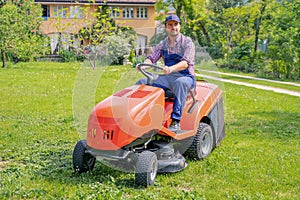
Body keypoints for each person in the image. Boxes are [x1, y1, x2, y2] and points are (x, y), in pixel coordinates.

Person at [136, 14, 195, 132]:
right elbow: (152, 58)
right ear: (166, 27)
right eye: (170, 25)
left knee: (180, 82)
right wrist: (144, 64)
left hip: (186, 77)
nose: (173, 27)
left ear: (180, 26)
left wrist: (171, 68)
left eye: (176, 24)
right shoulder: (162, 44)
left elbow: (185, 63)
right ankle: (139, 117)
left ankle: (175, 121)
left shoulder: (187, 43)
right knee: (141, 82)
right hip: (168, 77)